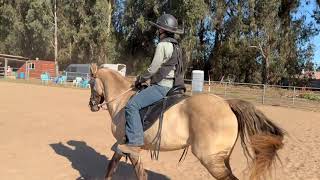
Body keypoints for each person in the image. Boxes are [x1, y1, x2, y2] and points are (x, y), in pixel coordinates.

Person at [117, 14, 185, 156]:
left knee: (131, 106)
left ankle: (134, 143)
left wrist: (141, 79)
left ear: (162, 30)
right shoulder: (177, 46)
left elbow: (153, 68)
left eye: (158, 29)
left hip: (162, 87)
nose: (157, 31)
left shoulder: (162, 45)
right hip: (176, 86)